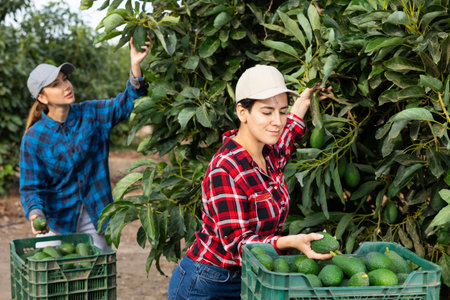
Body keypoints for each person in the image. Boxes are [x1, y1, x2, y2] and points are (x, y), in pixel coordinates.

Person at [168, 64, 333, 300]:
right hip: (208, 283)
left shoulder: (269, 153)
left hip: (250, 275)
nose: (277, 121)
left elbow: (289, 134)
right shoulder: (225, 169)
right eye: (267, 112)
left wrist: (304, 101)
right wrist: (291, 242)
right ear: (242, 113)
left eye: (282, 111)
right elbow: (238, 245)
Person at [19, 35, 152, 251]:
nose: (66, 86)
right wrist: (35, 214)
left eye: (65, 79)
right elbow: (30, 187)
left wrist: (135, 65)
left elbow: (128, 102)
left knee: (98, 276)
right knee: (54, 277)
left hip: (95, 216)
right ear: (42, 98)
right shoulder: (34, 138)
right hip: (56, 222)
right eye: (56, 84)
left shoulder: (91, 113)